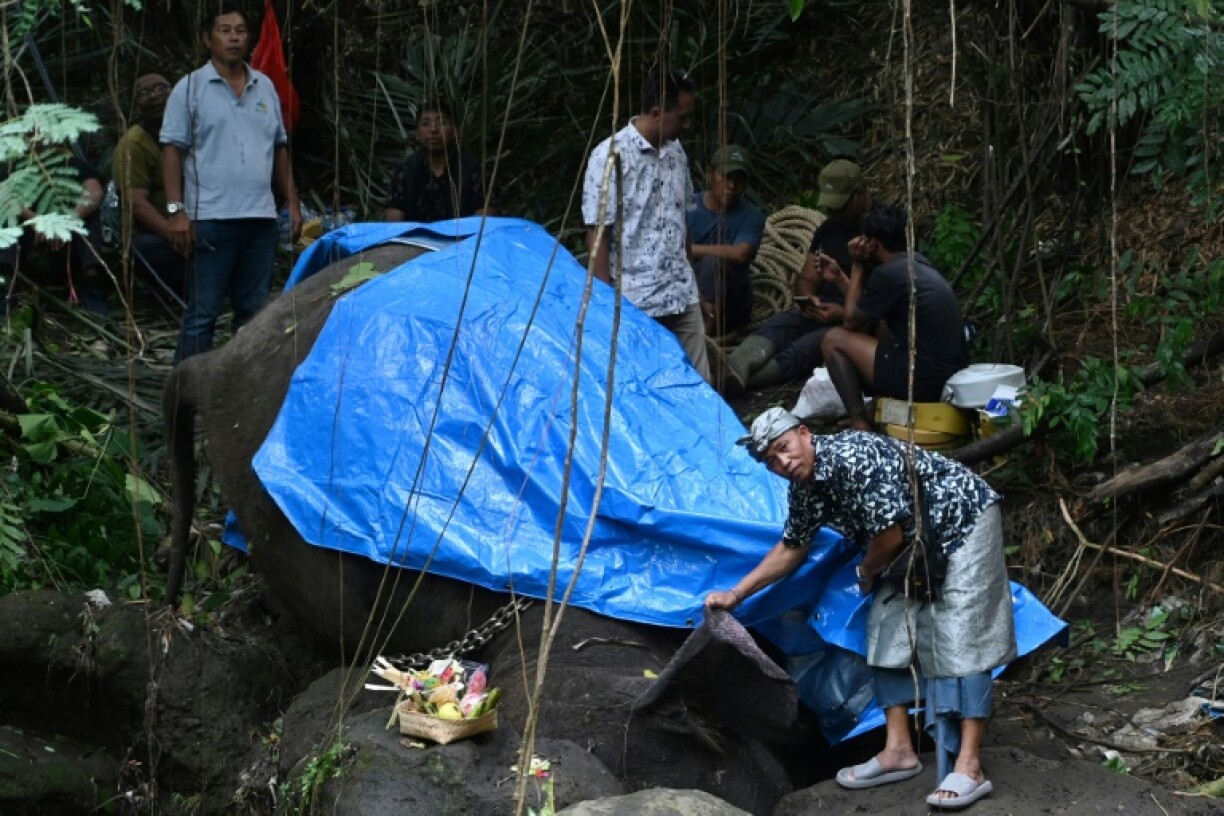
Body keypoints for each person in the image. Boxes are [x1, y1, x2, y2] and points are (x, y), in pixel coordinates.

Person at [706, 407, 1015, 810]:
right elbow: (793, 547)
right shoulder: (805, 485)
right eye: (772, 461)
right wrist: (737, 593)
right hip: (911, 541)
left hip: (960, 521)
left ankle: (970, 766)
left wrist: (866, 573)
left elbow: (887, 538)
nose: (783, 462)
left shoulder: (851, 459)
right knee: (885, 628)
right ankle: (899, 749)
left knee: (962, 634)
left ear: (804, 433)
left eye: (784, 448)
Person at [161, 5, 301, 363]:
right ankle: (182, 403)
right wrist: (176, 211)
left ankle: (239, 396)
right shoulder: (189, 88)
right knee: (202, 315)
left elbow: (279, 148)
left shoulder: (264, 85)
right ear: (208, 38)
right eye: (225, 30)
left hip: (260, 219)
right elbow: (172, 151)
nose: (234, 37)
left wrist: (293, 202)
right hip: (211, 219)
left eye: (240, 30)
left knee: (253, 315)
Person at [581, 66, 710, 382]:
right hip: (635, 301)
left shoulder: (676, 152)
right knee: (647, 386)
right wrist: (605, 301)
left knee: (702, 386)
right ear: (656, 113)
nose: (687, 124)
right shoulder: (610, 156)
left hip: (681, 291)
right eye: (682, 117)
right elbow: (597, 233)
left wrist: (693, 281)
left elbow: (683, 220)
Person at [718, 159, 872, 394]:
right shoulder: (828, 229)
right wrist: (809, 300)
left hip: (856, 319)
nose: (834, 212)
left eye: (840, 205)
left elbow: (884, 303)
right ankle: (730, 368)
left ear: (861, 195)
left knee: (805, 348)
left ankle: (736, 383)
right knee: (778, 326)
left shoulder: (879, 230)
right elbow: (807, 280)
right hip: (821, 311)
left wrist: (844, 313)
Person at [819, 203, 968, 430]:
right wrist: (840, 278)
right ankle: (873, 411)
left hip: (924, 379)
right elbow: (864, 314)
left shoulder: (889, 273)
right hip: (946, 375)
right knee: (879, 328)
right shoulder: (915, 262)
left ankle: (859, 422)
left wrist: (857, 264)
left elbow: (849, 320)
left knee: (833, 339)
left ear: (872, 243)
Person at [0, 147, 109, 316]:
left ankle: (91, 287)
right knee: (6, 216)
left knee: (90, 216)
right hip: (28, 247)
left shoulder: (72, 164)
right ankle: (6, 288)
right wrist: (37, 220)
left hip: (66, 249)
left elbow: (95, 192)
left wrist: (64, 222)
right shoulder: (12, 167)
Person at [113, 72, 185, 297]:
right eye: (144, 93)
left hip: (199, 222)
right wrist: (174, 234)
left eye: (161, 89)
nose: (154, 97)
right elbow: (137, 202)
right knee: (146, 249)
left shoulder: (193, 130)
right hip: (160, 232)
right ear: (136, 106)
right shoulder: (133, 145)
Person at [687, 144, 765, 335]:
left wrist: (688, 249)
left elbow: (741, 253)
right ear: (709, 174)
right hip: (688, 295)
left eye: (738, 180)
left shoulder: (752, 215)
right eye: (726, 177)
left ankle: (704, 341)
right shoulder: (688, 207)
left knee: (714, 265)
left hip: (732, 304)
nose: (731, 186)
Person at [384, 98, 490, 222]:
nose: (434, 130)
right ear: (417, 134)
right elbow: (394, 226)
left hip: (464, 240)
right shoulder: (405, 171)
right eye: (425, 124)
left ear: (455, 131)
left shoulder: (472, 168)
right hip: (415, 240)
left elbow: (484, 224)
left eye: (442, 123)